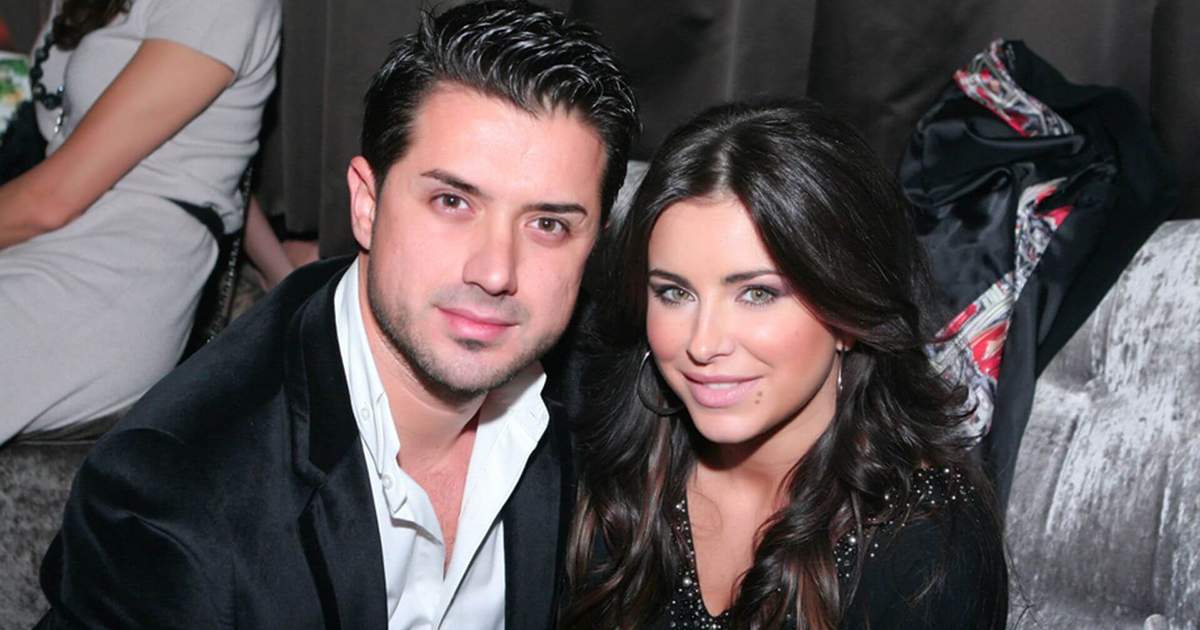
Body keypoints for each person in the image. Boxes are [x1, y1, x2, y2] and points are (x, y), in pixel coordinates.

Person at [35, 1, 637, 628]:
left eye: (547, 225)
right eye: (452, 201)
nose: (495, 271)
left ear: (593, 247)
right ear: (366, 206)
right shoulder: (175, 499)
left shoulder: (618, 402)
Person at [563, 99, 1008, 629]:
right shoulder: (600, 464)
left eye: (757, 294)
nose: (702, 344)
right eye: (675, 293)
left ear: (848, 312)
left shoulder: (925, 544)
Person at [0, 0, 281, 441]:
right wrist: (279, 267)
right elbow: (191, 150)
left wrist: (291, 283)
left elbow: (52, 200)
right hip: (52, 240)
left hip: (115, 271)